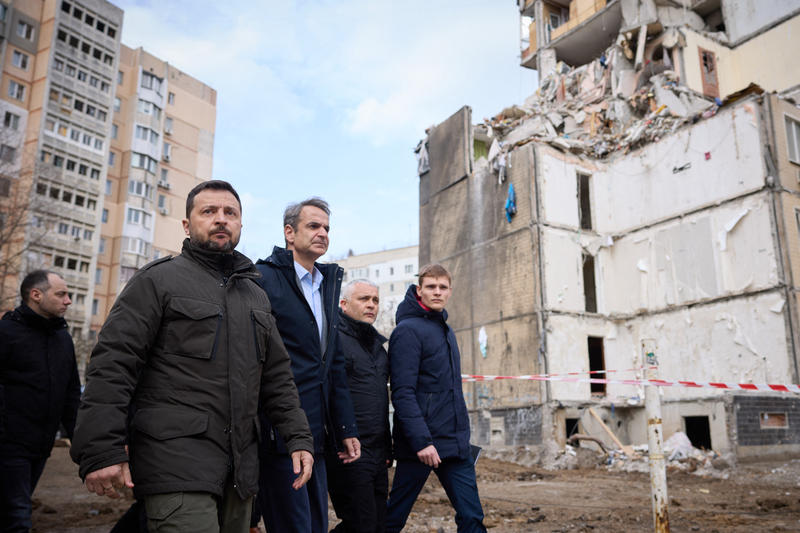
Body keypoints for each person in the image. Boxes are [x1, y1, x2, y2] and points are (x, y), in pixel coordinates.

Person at [70, 180, 314, 533]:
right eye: (209, 211)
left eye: (230, 213)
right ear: (187, 225)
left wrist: (298, 438)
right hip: (175, 464)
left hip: (240, 472)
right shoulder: (158, 281)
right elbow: (113, 365)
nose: (221, 219)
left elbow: (277, 377)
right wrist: (101, 450)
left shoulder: (255, 296)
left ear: (241, 224)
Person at [254, 198, 359, 533]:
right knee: (292, 525)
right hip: (279, 434)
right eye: (314, 226)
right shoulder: (263, 279)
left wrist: (344, 428)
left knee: (315, 525)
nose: (323, 233)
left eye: (327, 227)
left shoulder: (325, 285)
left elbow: (333, 365)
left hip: (317, 435)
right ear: (289, 232)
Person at [386, 264, 486, 533]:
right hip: (420, 447)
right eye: (431, 287)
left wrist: (462, 437)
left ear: (450, 291)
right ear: (419, 291)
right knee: (393, 518)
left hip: (454, 444)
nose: (437, 292)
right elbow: (403, 393)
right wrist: (422, 442)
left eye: (443, 287)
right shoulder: (407, 331)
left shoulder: (447, 331)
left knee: (472, 516)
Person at [0, 270, 79, 532]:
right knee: (18, 516)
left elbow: (70, 395)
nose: (68, 300)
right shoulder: (6, 332)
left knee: (13, 510)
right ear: (36, 295)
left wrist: (82, 442)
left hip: (41, 445)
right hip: (10, 446)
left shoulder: (63, 339)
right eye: (61, 294)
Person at [326, 280, 391, 533]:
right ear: (343, 304)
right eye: (364, 299)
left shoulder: (378, 347)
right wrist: (341, 436)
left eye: (375, 300)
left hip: (377, 451)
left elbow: (379, 400)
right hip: (348, 449)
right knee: (360, 523)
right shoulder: (334, 340)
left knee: (377, 524)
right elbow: (329, 394)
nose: (371, 305)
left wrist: (387, 447)